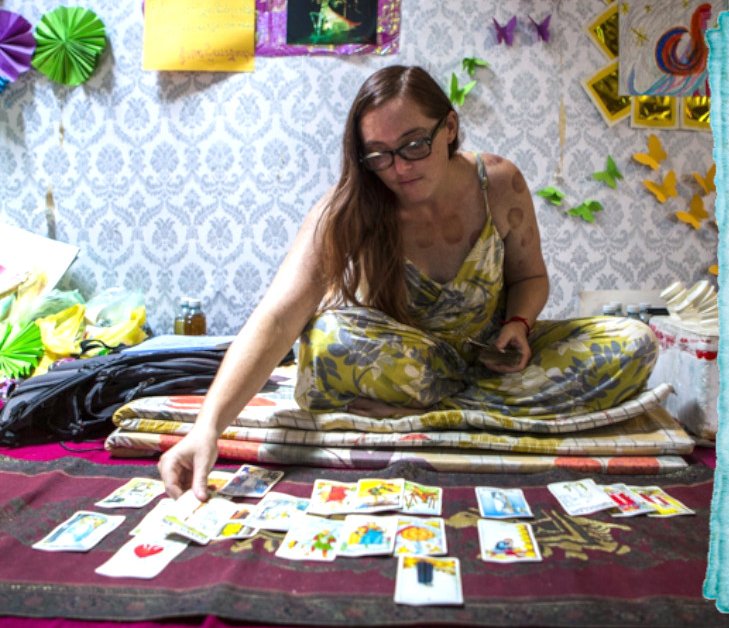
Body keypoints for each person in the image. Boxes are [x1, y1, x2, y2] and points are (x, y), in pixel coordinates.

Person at [159, 65, 658, 500]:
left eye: (414, 145)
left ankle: (428, 410)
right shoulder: (348, 208)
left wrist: (519, 324)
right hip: (404, 364)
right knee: (328, 339)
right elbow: (277, 316)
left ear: (450, 128)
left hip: (487, 361)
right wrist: (208, 427)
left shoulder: (500, 182)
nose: (399, 168)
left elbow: (530, 277)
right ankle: (453, 404)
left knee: (634, 341)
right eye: (378, 155)